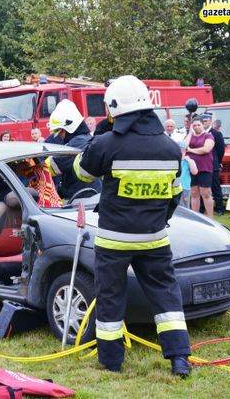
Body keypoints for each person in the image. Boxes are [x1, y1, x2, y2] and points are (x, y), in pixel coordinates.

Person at [74, 75, 191, 376]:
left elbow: (82, 173)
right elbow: (175, 195)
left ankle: (111, 362)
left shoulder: (106, 143)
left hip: (114, 241)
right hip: (154, 239)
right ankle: (179, 358)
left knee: (111, 299)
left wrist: (98, 137)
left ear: (113, 108)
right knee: (166, 295)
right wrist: (158, 222)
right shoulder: (169, 148)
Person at [44, 99, 101, 200]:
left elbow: (49, 167)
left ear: (69, 128)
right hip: (88, 196)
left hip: (83, 199)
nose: (60, 136)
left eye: (60, 132)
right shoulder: (85, 139)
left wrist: (29, 170)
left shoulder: (77, 144)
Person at [186, 117, 215, 217]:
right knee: (194, 193)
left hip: (205, 168)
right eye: (194, 125)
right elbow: (183, 146)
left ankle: (211, 218)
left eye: (198, 125)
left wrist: (191, 150)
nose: (197, 127)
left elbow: (206, 149)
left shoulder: (208, 136)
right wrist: (190, 133)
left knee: (206, 193)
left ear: (203, 125)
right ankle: (196, 216)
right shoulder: (190, 136)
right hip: (191, 169)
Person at [202, 113, 225, 215]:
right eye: (202, 121)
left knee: (216, 187)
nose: (203, 123)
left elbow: (221, 150)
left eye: (205, 121)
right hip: (202, 165)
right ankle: (202, 208)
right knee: (202, 187)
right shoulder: (200, 133)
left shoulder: (216, 133)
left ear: (210, 121)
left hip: (213, 164)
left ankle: (220, 208)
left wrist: (218, 162)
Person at [178, 142, 198, 208]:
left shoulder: (189, 161)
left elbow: (194, 172)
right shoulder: (174, 160)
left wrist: (189, 161)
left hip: (184, 187)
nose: (181, 152)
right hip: (174, 187)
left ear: (185, 151)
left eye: (183, 150)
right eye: (180, 150)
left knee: (184, 206)